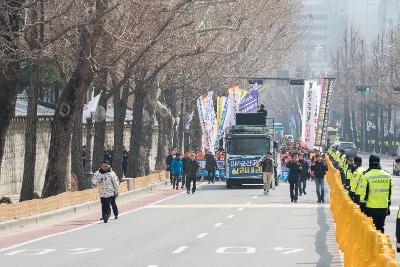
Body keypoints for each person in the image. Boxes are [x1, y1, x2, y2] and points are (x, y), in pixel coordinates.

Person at [359, 155, 392, 233]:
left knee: (371, 230)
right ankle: (380, 244)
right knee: (380, 228)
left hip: (370, 208)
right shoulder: (388, 176)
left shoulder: (366, 176)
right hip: (383, 208)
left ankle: (372, 245)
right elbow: (389, 193)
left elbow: (364, 194)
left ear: (370, 162)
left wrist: (361, 207)